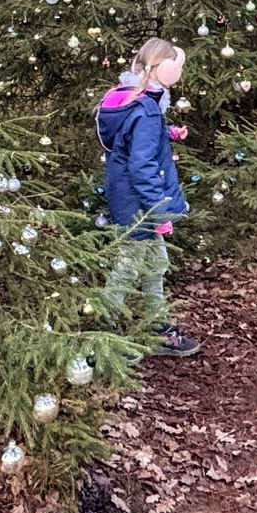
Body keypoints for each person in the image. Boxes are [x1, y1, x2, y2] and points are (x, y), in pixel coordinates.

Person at [94, 37, 200, 357]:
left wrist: (166, 134)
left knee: (155, 263)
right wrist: (160, 212)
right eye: (174, 64)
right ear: (159, 67)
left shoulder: (132, 101)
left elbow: (132, 141)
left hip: (128, 197)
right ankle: (106, 333)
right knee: (128, 267)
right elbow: (142, 168)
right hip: (139, 204)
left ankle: (157, 326)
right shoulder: (147, 111)